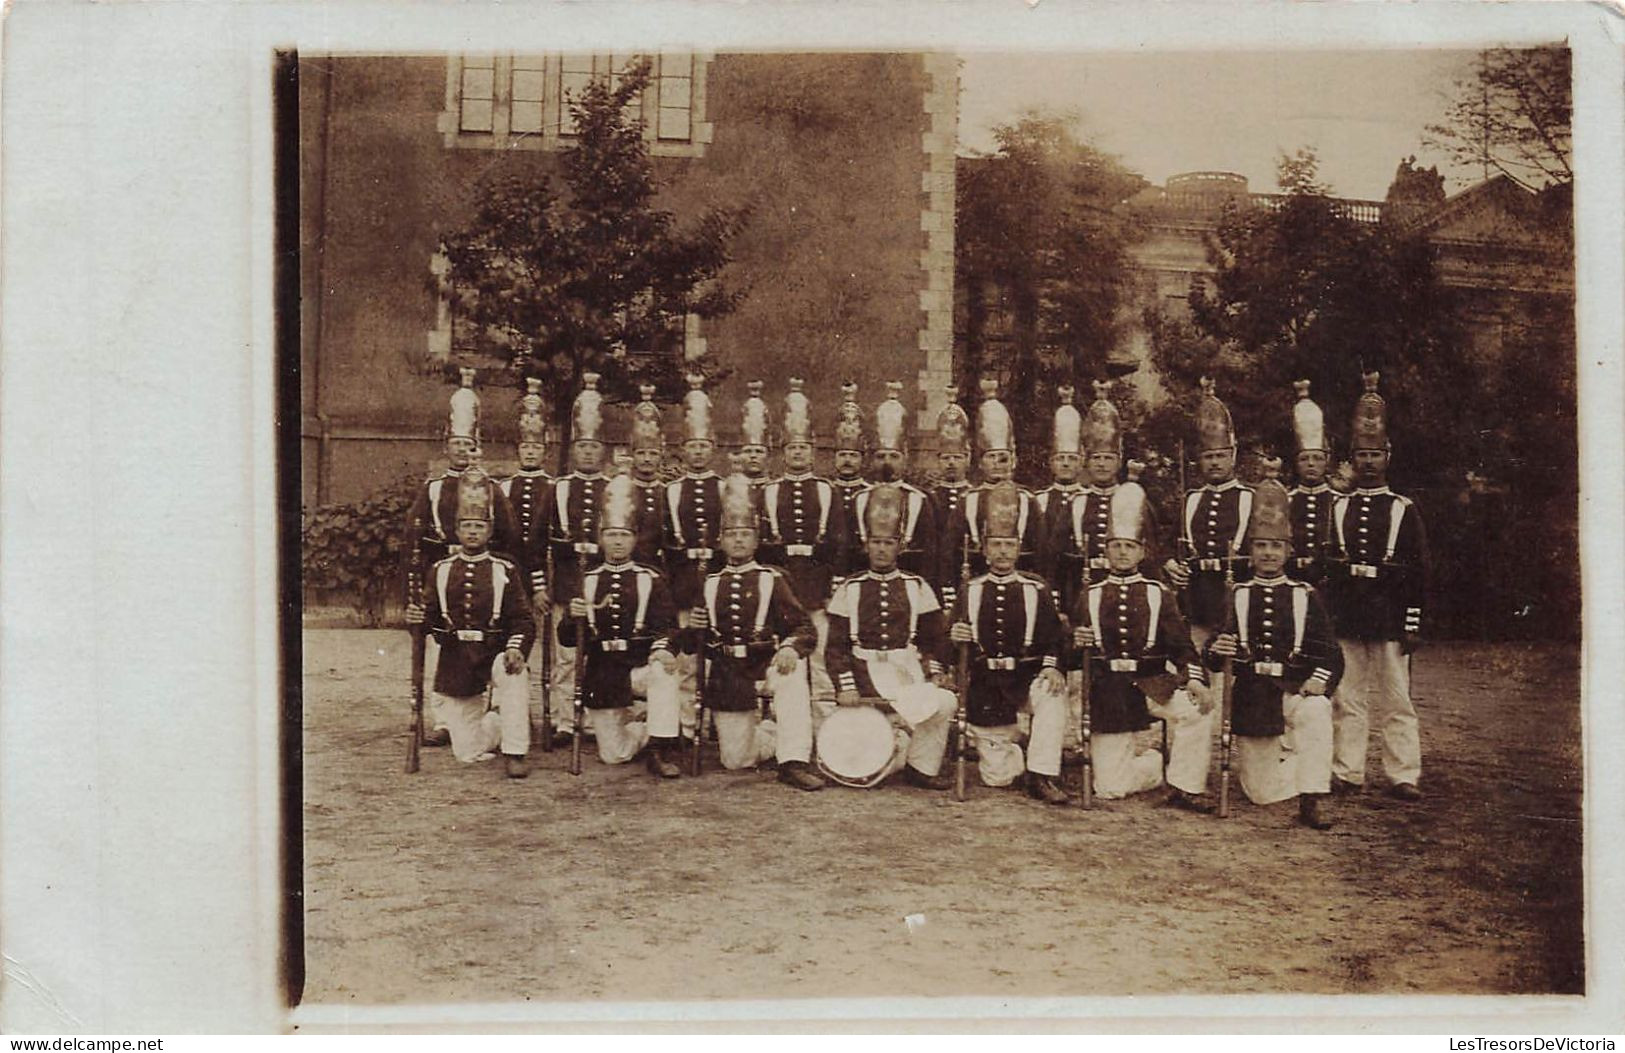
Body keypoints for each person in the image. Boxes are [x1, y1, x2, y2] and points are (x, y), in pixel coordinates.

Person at [1205, 465, 1343, 829]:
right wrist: (1218, 650)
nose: (1268, 553)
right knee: (1262, 793)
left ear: (1288, 551)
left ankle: (1312, 798)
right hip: (1254, 697)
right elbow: (1213, 654)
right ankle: (1312, 762)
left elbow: (1331, 654)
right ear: (1251, 550)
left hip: (1294, 688)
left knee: (1316, 710)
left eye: (1276, 546)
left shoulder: (1305, 595)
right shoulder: (1237, 593)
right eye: (1261, 545)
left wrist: (1318, 682)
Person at [1074, 480, 1217, 808]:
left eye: (1129, 546)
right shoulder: (1089, 595)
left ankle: (1185, 785)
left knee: (1198, 709)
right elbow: (1070, 654)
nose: (1122, 552)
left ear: (1142, 550)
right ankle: (1152, 766)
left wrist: (1194, 678)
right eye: (1115, 545)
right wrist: (1075, 643)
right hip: (1108, 690)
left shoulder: (1158, 592)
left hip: (1153, 683)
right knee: (1109, 789)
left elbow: (1182, 646)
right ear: (1105, 550)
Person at [1323, 372, 1430, 801]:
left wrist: (1411, 624)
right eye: (1361, 454)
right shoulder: (1340, 507)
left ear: (1388, 456)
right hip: (1350, 614)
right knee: (1348, 697)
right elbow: (1330, 569)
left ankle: (1403, 774)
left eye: (1375, 454)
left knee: (1396, 699)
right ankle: (1347, 771)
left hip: (1388, 616)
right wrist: (1331, 619)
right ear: (1352, 457)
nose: (1368, 462)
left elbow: (1420, 572)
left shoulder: (1403, 509)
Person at [401, 367, 521, 746]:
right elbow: (414, 535)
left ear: (477, 445)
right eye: (456, 444)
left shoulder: (491, 487)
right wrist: (416, 582)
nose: (461, 450)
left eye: (468, 444)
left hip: (483, 569)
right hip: (443, 573)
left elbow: (509, 533)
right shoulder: (433, 488)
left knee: (490, 642)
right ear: (446, 445)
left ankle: (493, 710)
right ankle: (444, 720)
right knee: (445, 643)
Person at [686, 472, 826, 790]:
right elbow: (698, 642)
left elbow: (804, 626)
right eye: (732, 534)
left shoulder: (773, 578)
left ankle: (793, 760)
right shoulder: (708, 582)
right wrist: (692, 631)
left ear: (756, 539)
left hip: (766, 664)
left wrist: (790, 647)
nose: (738, 540)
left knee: (793, 673)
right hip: (728, 673)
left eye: (745, 534)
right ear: (720, 540)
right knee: (736, 761)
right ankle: (771, 733)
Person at [824, 483, 959, 790]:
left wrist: (934, 673)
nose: (881, 549)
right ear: (866, 545)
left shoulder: (917, 585)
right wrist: (845, 687)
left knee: (945, 701)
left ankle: (921, 768)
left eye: (888, 542)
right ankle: (888, 749)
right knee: (867, 767)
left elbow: (934, 639)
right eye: (875, 542)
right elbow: (835, 647)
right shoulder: (850, 587)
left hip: (906, 673)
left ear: (900, 546)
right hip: (864, 675)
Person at [947, 481, 1072, 804]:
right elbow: (948, 648)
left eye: (1009, 544)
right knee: (997, 779)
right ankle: (1018, 750)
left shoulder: (1037, 588)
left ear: (1019, 548)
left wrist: (1052, 667)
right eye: (996, 544)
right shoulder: (970, 589)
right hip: (987, 686)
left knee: (1052, 694)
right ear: (985, 549)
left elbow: (1055, 639)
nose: (1002, 551)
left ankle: (1042, 774)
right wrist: (955, 637)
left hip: (1026, 677)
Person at [405, 468, 534, 778]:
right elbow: (430, 620)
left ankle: (516, 750)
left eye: (479, 526)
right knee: (468, 752)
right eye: (467, 526)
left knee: (514, 672)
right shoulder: (440, 570)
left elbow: (523, 620)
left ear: (489, 531)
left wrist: (516, 648)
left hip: (494, 652)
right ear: (457, 531)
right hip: (457, 660)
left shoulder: (505, 568)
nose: (473, 532)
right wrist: (416, 621)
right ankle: (498, 722)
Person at [559, 474, 684, 776]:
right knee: (614, 755)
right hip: (603, 673)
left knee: (663, 672)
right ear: (601, 538)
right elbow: (567, 639)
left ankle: (659, 747)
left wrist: (663, 650)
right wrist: (572, 617)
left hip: (640, 667)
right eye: (612, 535)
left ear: (635, 538)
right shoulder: (587, 579)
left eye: (625, 535)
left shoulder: (650, 578)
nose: (618, 541)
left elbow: (668, 626)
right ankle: (644, 729)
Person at [759, 377, 845, 704]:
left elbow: (838, 543)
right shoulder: (769, 491)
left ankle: (822, 716)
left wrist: (831, 589)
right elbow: (765, 544)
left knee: (821, 655)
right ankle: (777, 716)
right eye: (792, 447)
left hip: (816, 585)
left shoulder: (826, 490)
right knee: (780, 652)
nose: (797, 453)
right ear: (783, 452)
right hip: (783, 583)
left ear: (812, 451)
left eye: (803, 448)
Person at [1164, 377, 1254, 655]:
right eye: (1208, 456)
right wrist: (1170, 565)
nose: (1214, 462)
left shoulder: (1250, 498)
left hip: (1238, 599)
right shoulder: (1191, 500)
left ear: (1233, 456)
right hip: (1198, 599)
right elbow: (1167, 544)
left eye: (1220, 455)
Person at [544, 374, 611, 745]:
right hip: (569, 586)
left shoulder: (613, 489)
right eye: (582, 446)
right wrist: (543, 585)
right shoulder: (559, 488)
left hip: (600, 587)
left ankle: (589, 719)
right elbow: (541, 539)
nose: (587, 452)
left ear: (603, 450)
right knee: (566, 656)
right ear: (573, 450)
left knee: (596, 654)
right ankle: (564, 721)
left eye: (594, 446)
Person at [664, 373, 726, 738]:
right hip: (687, 584)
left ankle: (717, 722)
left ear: (713, 447)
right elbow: (667, 545)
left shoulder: (725, 487)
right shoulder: (671, 491)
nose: (698, 452)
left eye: (704, 445)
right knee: (688, 661)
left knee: (718, 655)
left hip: (718, 582)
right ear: (683, 449)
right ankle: (688, 725)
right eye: (691, 446)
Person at [498, 378, 554, 739]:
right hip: (513, 578)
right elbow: (506, 544)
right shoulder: (504, 488)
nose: (530, 452)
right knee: (511, 644)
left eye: (536, 446)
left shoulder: (554, 486)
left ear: (544, 449)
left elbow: (545, 543)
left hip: (547, 578)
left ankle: (551, 714)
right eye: (525, 446)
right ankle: (509, 711)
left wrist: (542, 585)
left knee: (549, 651)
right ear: (518, 449)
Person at [948, 378, 1044, 584]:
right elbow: (951, 551)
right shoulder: (968, 500)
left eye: (1003, 457)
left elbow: (1041, 551)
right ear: (980, 463)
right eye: (991, 457)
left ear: (1013, 460)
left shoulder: (1027, 500)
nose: (998, 463)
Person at [853, 381, 940, 582]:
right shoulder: (861, 498)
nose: (887, 462)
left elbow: (930, 553)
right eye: (881, 456)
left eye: (894, 456)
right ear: (871, 459)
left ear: (905, 457)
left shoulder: (919, 499)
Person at [1035, 384, 1087, 613]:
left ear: (1081, 462)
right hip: (1048, 579)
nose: (1066, 463)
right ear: (1051, 462)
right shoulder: (1038, 500)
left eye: (1072, 458)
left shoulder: (1087, 499)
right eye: (1061, 458)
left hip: (1079, 582)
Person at [926, 385, 974, 612]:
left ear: (968, 458)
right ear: (938, 459)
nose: (952, 463)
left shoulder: (975, 497)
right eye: (946, 458)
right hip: (936, 577)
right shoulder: (929, 498)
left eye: (957, 457)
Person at [1287, 379, 1337, 587]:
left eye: (1317, 458)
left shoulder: (1339, 501)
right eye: (1304, 458)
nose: (1310, 464)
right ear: (1296, 463)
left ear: (1327, 461)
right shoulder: (1285, 501)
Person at [626, 384, 670, 571]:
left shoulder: (668, 492)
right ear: (632, 455)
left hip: (661, 570)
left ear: (661, 455)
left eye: (652, 453)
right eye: (641, 453)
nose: (646, 459)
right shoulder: (624, 491)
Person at [829, 381, 869, 578]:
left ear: (862, 459)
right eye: (842, 454)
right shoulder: (826, 491)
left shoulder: (870, 494)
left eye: (853, 455)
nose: (847, 460)